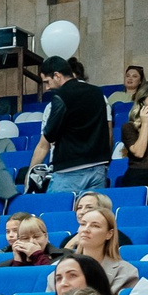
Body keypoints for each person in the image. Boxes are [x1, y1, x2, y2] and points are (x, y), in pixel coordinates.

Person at [33, 57, 112, 193]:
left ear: (57, 75)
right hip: (98, 165)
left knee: (59, 212)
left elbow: (50, 134)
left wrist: (31, 170)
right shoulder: (97, 92)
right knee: (92, 212)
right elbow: (107, 130)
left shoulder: (61, 96)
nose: (47, 87)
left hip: (69, 168)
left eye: (47, 81)